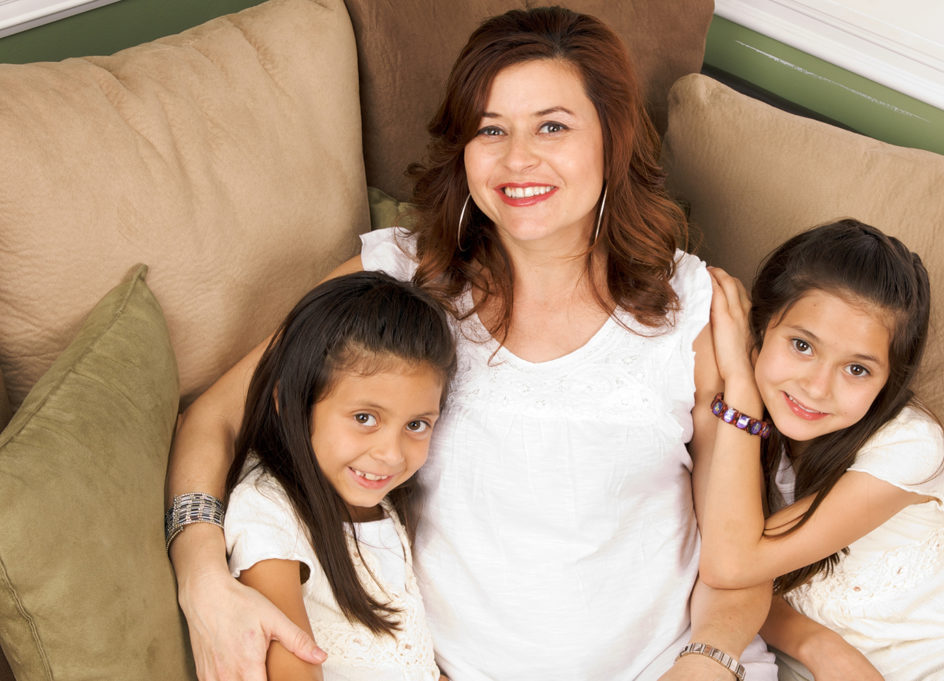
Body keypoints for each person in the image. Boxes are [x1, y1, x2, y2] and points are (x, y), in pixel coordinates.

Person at [165, 7, 778, 681]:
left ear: (613, 138)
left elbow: (739, 560)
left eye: (552, 125)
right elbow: (217, 415)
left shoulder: (693, 310)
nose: (519, 159)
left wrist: (708, 659)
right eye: (492, 129)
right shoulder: (397, 282)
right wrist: (201, 580)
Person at [701, 219, 944, 681]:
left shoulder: (911, 446)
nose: (816, 387)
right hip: (807, 664)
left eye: (856, 369)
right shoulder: (741, 423)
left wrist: (740, 389)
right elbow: (714, 564)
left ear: (889, 380)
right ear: (759, 329)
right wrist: (818, 645)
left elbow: (731, 562)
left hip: (943, 662)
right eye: (801, 345)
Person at [221, 271, 456, 680]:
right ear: (293, 403)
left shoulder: (385, 510)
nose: (390, 454)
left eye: (417, 425)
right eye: (365, 418)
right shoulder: (268, 513)